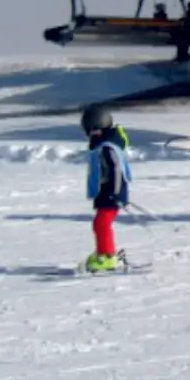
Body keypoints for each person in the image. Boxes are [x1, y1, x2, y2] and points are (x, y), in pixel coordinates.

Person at [80, 105, 131, 271]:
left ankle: (107, 256)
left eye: (88, 130)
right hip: (107, 191)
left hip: (111, 193)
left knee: (101, 223)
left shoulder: (107, 147)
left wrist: (114, 193)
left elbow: (116, 168)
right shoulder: (103, 145)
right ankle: (105, 252)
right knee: (100, 223)